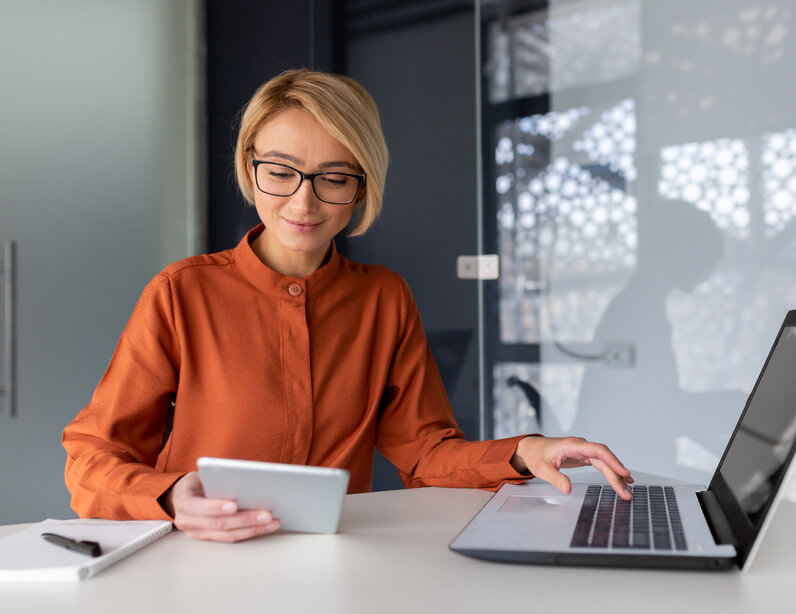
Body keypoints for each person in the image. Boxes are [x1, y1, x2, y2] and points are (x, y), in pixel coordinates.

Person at [62, 69, 632, 543]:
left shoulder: (384, 298)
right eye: (281, 172)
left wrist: (524, 449)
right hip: (197, 558)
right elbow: (91, 456)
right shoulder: (181, 293)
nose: (303, 202)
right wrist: (169, 494)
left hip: (335, 563)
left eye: (334, 177)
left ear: (363, 186)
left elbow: (426, 455)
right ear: (249, 167)